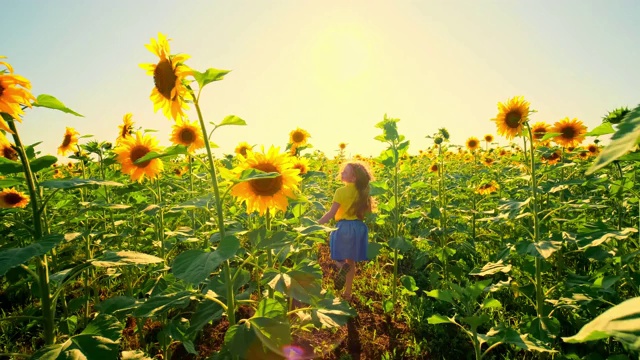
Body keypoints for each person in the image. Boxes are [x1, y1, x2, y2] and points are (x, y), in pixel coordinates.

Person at [318, 161, 374, 301]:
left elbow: (331, 213)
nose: (341, 173)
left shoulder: (340, 192)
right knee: (352, 261)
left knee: (338, 257)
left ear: (353, 177)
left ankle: (342, 267)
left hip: (343, 228)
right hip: (359, 229)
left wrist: (316, 224)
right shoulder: (364, 192)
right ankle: (347, 293)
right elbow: (368, 212)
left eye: (345, 172)